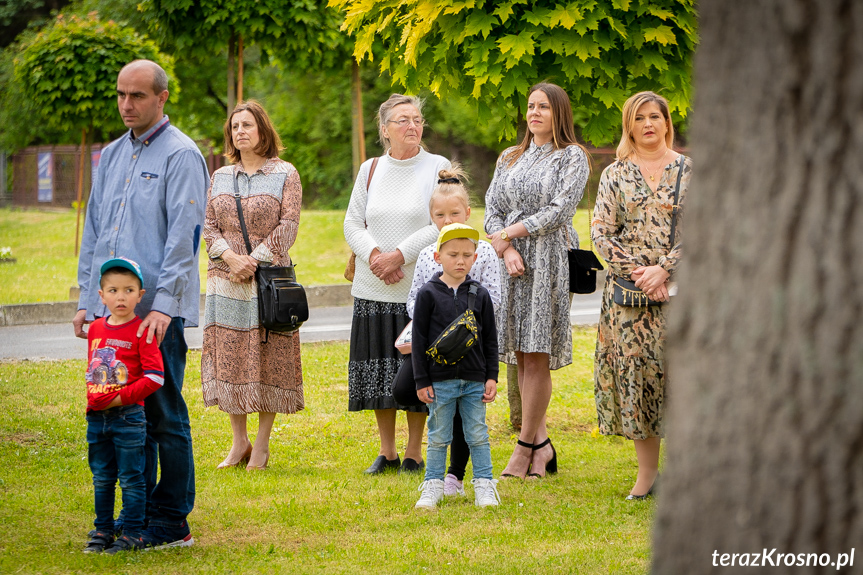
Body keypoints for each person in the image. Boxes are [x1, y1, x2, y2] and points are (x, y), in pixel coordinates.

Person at [74, 59, 208, 548]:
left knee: (165, 415)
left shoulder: (182, 155)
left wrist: (164, 306)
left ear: (162, 97)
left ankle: (172, 519)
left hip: (155, 316)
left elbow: (183, 238)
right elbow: (95, 232)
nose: (126, 104)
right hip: (112, 317)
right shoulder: (110, 155)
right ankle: (138, 516)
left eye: (137, 96)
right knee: (128, 419)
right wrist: (90, 303)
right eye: (121, 95)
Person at [484, 82, 589, 479]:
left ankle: (525, 446)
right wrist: (506, 247)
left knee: (537, 352)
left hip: (548, 261)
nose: (535, 113)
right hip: (510, 262)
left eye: (543, 107)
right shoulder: (509, 157)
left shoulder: (572, 157)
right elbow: (492, 210)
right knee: (521, 353)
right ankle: (541, 446)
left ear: (558, 113)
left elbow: (559, 211)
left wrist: (512, 234)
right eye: (530, 106)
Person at [591, 91, 691, 500]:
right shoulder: (614, 174)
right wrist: (640, 274)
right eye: (640, 118)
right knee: (638, 380)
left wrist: (665, 268)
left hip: (681, 292)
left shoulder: (690, 171)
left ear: (668, 123)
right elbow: (600, 231)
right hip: (629, 300)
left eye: (656, 117)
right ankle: (647, 475)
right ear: (629, 126)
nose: (648, 124)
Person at [344, 94, 450, 474]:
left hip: (417, 286)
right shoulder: (370, 168)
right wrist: (375, 257)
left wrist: (398, 255)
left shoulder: (438, 167)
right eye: (403, 120)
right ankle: (387, 450)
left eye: (418, 119)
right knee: (377, 368)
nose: (412, 126)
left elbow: (443, 221)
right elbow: (353, 222)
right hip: (373, 287)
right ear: (385, 129)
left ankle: (414, 451)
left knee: (416, 368)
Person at [201, 100, 304, 471]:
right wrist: (230, 258)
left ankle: (261, 444)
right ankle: (238, 441)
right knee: (230, 358)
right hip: (226, 279)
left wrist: (253, 259)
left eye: (247, 125)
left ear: (262, 129)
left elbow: (288, 224)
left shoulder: (285, 173)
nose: (240, 131)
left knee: (266, 357)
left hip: (267, 279)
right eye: (234, 127)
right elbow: (209, 226)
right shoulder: (220, 177)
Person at [395, 165, 501, 497]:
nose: (447, 219)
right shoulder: (430, 254)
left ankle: (456, 474)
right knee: (404, 389)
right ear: (431, 218)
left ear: (468, 213)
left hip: (470, 347)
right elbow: (415, 298)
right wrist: (435, 320)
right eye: (439, 214)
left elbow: (492, 299)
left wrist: (462, 322)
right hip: (435, 347)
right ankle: (436, 477)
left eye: (454, 213)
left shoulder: (479, 252)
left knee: (469, 413)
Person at [412, 223, 500, 509]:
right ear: (438, 257)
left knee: (477, 434)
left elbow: (490, 340)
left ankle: (485, 486)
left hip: (474, 381)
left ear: (475, 258)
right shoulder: (428, 294)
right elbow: (419, 341)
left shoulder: (480, 295)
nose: (460, 260)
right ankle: (433, 485)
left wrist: (492, 376)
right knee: (438, 436)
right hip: (440, 381)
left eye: (466, 254)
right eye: (453, 254)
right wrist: (421, 380)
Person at [83, 258, 164, 554]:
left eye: (129, 290)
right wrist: (97, 398)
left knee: (131, 478)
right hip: (97, 418)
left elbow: (155, 377)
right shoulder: (95, 329)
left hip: (128, 417)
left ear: (140, 295)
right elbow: (94, 369)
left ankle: (131, 533)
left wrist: (118, 398)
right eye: (113, 290)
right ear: (101, 295)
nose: (121, 297)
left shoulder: (142, 331)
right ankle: (103, 529)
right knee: (102, 477)